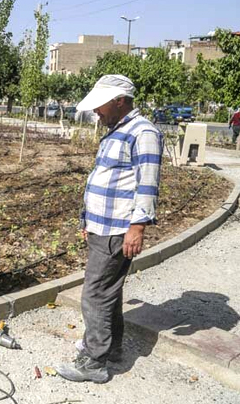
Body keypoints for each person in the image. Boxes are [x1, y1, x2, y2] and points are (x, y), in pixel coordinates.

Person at [55, 75, 163, 384]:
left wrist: (137, 227)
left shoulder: (142, 133)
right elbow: (103, 179)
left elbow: (147, 183)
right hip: (103, 225)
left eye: (100, 106)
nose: (96, 113)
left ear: (119, 101)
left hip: (118, 227)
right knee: (108, 292)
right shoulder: (118, 130)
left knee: (95, 293)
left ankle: (94, 362)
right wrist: (87, 220)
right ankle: (111, 348)